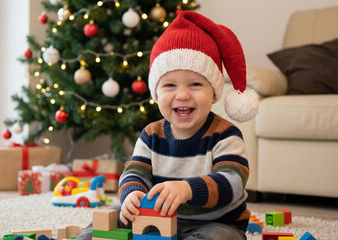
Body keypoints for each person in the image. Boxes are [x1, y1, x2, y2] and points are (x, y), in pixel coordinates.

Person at [76, 10, 258, 240]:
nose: (182, 95)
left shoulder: (225, 135)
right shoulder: (151, 134)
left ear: (214, 94)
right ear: (156, 93)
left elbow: (233, 182)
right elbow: (134, 171)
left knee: (222, 236)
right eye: (170, 85)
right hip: (154, 217)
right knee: (108, 217)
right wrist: (132, 193)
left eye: (194, 84)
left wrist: (188, 189)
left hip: (213, 223)